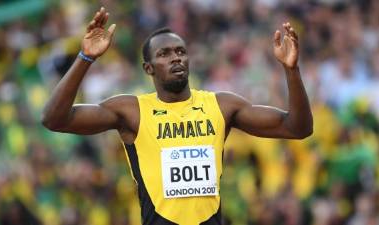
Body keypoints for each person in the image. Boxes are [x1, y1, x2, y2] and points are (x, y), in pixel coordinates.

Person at [41, 7, 313, 225]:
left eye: (181, 51)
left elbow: (297, 128)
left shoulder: (221, 105)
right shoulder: (131, 111)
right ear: (148, 68)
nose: (176, 58)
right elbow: (54, 119)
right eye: (164, 54)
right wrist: (85, 57)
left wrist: (291, 70)